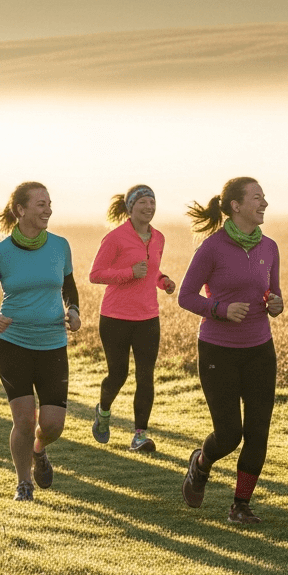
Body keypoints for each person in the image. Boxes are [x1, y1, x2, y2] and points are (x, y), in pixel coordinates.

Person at [178, 177, 283, 524]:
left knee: (258, 432)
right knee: (228, 434)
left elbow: (271, 291)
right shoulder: (212, 248)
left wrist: (275, 302)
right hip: (218, 351)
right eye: (257, 198)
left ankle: (240, 505)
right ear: (236, 206)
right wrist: (221, 310)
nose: (265, 202)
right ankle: (201, 463)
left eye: (264, 197)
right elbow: (187, 296)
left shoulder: (269, 247)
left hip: (259, 350)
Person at [0, 182, 80, 501]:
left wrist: (73, 310)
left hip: (52, 345)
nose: (48, 209)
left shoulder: (60, 246)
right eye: (40, 204)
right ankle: (23, 483)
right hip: (13, 344)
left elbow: (69, 287)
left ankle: (39, 450)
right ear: (20, 210)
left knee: (52, 426)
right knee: (24, 419)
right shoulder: (1, 252)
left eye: (49, 203)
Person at [89, 184, 177, 453]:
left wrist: (163, 281)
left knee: (145, 376)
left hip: (148, 317)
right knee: (118, 374)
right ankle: (103, 412)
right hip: (115, 317)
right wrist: (128, 272)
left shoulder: (159, 237)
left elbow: (151, 271)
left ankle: (140, 435)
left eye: (152, 202)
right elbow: (96, 274)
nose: (149, 207)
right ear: (131, 207)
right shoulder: (115, 238)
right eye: (143, 203)